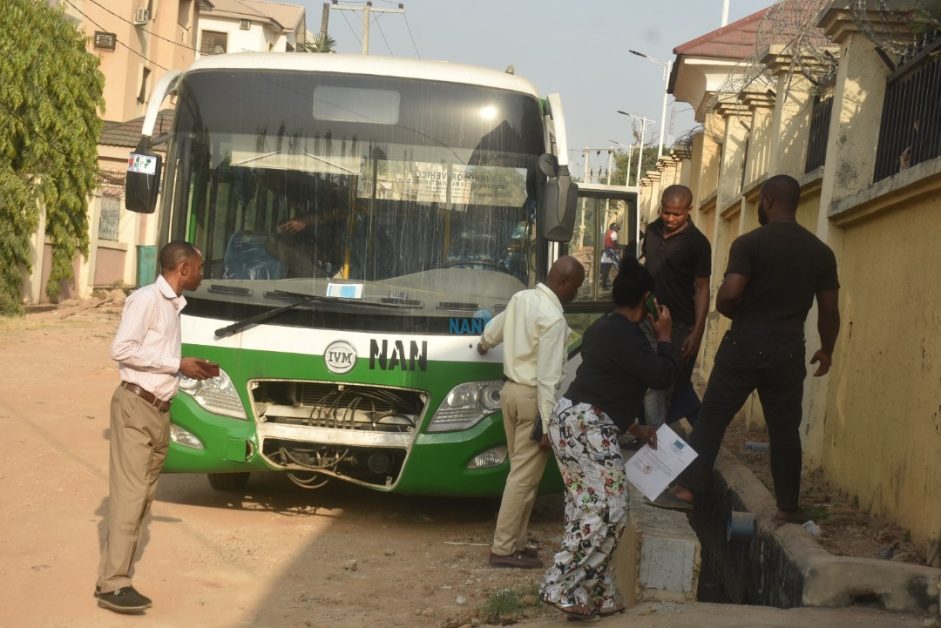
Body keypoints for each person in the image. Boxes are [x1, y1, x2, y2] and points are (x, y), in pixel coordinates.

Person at [651, 174, 840, 524]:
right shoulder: (820, 252)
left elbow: (730, 294)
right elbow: (829, 310)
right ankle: (788, 506)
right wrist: (827, 349)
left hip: (745, 343)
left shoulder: (750, 244)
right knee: (784, 427)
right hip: (788, 348)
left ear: (767, 201)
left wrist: (731, 308)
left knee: (712, 418)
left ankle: (689, 490)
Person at [540, 256, 675, 620]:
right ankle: (561, 585)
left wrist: (634, 427)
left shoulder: (604, 327)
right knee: (611, 510)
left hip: (572, 419)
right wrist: (664, 337)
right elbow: (661, 376)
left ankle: (594, 592)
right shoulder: (628, 335)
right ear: (647, 298)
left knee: (588, 509)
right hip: (588, 426)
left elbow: (606, 382)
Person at [95, 242, 216, 614]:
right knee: (131, 497)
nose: (202, 273)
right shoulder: (147, 300)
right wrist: (177, 364)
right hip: (136, 406)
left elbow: (161, 359)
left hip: (158, 411)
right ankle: (112, 584)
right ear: (182, 268)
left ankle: (116, 577)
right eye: (198, 267)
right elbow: (123, 349)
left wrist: (186, 369)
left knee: (143, 498)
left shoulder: (173, 305)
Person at [477, 256, 586, 569]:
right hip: (533, 400)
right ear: (562, 282)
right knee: (522, 479)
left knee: (522, 474)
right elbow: (549, 379)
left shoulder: (521, 298)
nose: (575, 295)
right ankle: (503, 549)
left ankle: (517, 542)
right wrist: (549, 425)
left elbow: (492, 331)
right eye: (575, 288)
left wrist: (484, 344)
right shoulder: (553, 318)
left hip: (509, 393)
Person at [641, 184, 712, 428]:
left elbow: (703, 288)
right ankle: (667, 442)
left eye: (677, 214)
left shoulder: (698, 243)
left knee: (672, 385)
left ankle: (694, 440)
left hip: (680, 326)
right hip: (649, 320)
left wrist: (697, 331)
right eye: (666, 212)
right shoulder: (650, 231)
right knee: (656, 384)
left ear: (689, 210)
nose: (670, 218)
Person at [599, 223, 620, 289]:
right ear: (614, 227)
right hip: (610, 253)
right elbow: (616, 244)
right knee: (620, 266)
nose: (617, 230)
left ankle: (603, 285)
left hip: (606, 253)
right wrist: (623, 247)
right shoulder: (614, 233)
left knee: (606, 271)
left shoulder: (607, 232)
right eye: (617, 229)